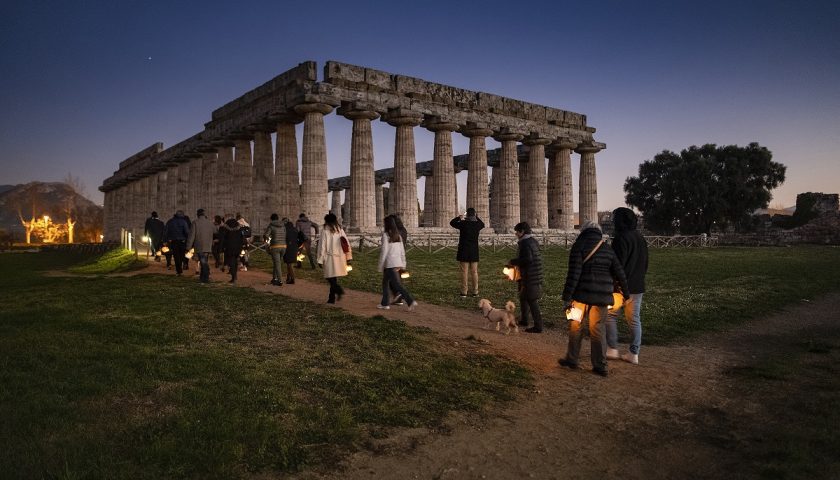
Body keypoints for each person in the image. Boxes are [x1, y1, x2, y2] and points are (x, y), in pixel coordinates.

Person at [558, 220, 630, 377]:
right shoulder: (606, 248)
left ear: (583, 231)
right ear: (598, 232)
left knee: (576, 327)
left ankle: (572, 359)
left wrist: (567, 297)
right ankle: (600, 365)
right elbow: (620, 273)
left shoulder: (579, 246)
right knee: (598, 330)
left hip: (580, 295)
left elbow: (573, 274)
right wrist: (626, 294)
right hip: (602, 297)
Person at [606, 207, 649, 365]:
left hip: (620, 286)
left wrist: (613, 282)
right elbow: (645, 263)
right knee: (634, 319)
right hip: (638, 286)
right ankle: (633, 353)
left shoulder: (620, 238)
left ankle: (612, 348)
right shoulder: (640, 238)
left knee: (610, 316)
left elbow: (616, 264)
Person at [509, 222, 544, 333]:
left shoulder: (525, 243)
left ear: (522, 231)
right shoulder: (532, 241)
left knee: (532, 300)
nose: (516, 234)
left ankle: (538, 326)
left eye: (517, 231)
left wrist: (513, 262)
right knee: (523, 297)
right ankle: (525, 320)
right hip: (532, 273)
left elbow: (527, 259)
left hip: (530, 275)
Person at [377, 215, 418, 311]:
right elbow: (402, 251)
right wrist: (403, 264)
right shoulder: (398, 236)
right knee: (385, 283)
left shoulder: (386, 235)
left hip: (389, 264)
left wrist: (380, 265)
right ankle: (385, 303)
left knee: (397, 285)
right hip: (397, 263)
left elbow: (384, 251)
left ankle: (410, 301)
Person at [316, 213, 351, 304]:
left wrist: (320, 259)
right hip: (340, 257)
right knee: (333, 278)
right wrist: (348, 257)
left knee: (329, 277)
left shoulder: (325, 230)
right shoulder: (340, 230)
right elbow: (346, 243)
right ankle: (331, 298)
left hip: (329, 257)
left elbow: (322, 246)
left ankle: (338, 290)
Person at [450, 207, 484, 298]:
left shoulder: (463, 223)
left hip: (464, 250)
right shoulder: (477, 224)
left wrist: (459, 217)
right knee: (474, 272)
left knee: (464, 272)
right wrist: (476, 217)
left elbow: (452, 223)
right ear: (474, 214)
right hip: (474, 251)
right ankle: (475, 292)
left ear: (467, 215)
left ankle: (464, 292)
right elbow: (482, 224)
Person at [187, 208, 215, 283]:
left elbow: (191, 236)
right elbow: (215, 231)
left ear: (197, 214)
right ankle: (203, 277)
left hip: (199, 245)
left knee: (203, 262)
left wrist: (188, 247)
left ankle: (205, 277)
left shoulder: (195, 222)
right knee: (204, 261)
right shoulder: (210, 223)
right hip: (208, 245)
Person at [163, 210, 190, 276]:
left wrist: (165, 240)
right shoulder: (184, 222)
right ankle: (180, 268)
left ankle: (178, 271)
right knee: (181, 255)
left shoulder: (170, 221)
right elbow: (187, 232)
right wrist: (187, 239)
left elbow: (166, 232)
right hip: (182, 241)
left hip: (173, 241)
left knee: (176, 255)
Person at [264, 213, 287, 286]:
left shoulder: (271, 226)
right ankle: (274, 278)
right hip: (283, 246)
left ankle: (280, 281)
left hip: (275, 247)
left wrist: (267, 240)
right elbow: (285, 234)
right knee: (276, 263)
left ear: (271, 219)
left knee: (277, 264)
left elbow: (266, 235)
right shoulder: (283, 226)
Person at [221, 218, 244, 283]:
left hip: (229, 248)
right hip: (238, 248)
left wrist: (221, 248)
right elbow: (242, 239)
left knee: (232, 262)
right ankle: (235, 275)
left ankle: (233, 277)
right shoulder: (239, 229)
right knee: (235, 262)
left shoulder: (226, 229)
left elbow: (223, 239)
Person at [282, 217, 299, 284]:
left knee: (289, 264)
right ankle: (288, 277)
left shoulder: (285, 230)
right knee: (289, 264)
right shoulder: (295, 229)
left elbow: (284, 239)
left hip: (288, 248)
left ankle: (292, 279)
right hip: (294, 248)